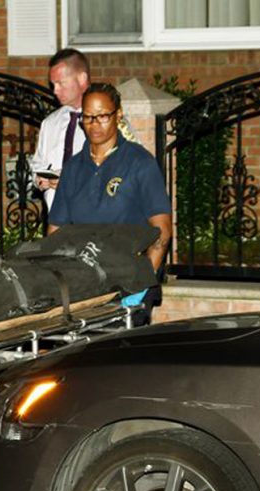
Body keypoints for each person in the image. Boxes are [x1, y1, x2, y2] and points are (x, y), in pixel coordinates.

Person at [48, 82, 172, 325]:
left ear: (118, 114)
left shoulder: (140, 162)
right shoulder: (73, 167)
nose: (95, 124)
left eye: (103, 116)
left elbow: (162, 232)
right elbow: (55, 233)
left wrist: (139, 286)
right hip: (84, 286)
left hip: (129, 285)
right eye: (88, 117)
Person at [31, 48, 91, 211]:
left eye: (60, 83)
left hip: (92, 219)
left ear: (82, 79)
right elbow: (38, 163)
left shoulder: (104, 119)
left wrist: (70, 179)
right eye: (53, 84)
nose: (55, 91)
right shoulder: (50, 123)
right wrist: (39, 178)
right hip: (57, 218)